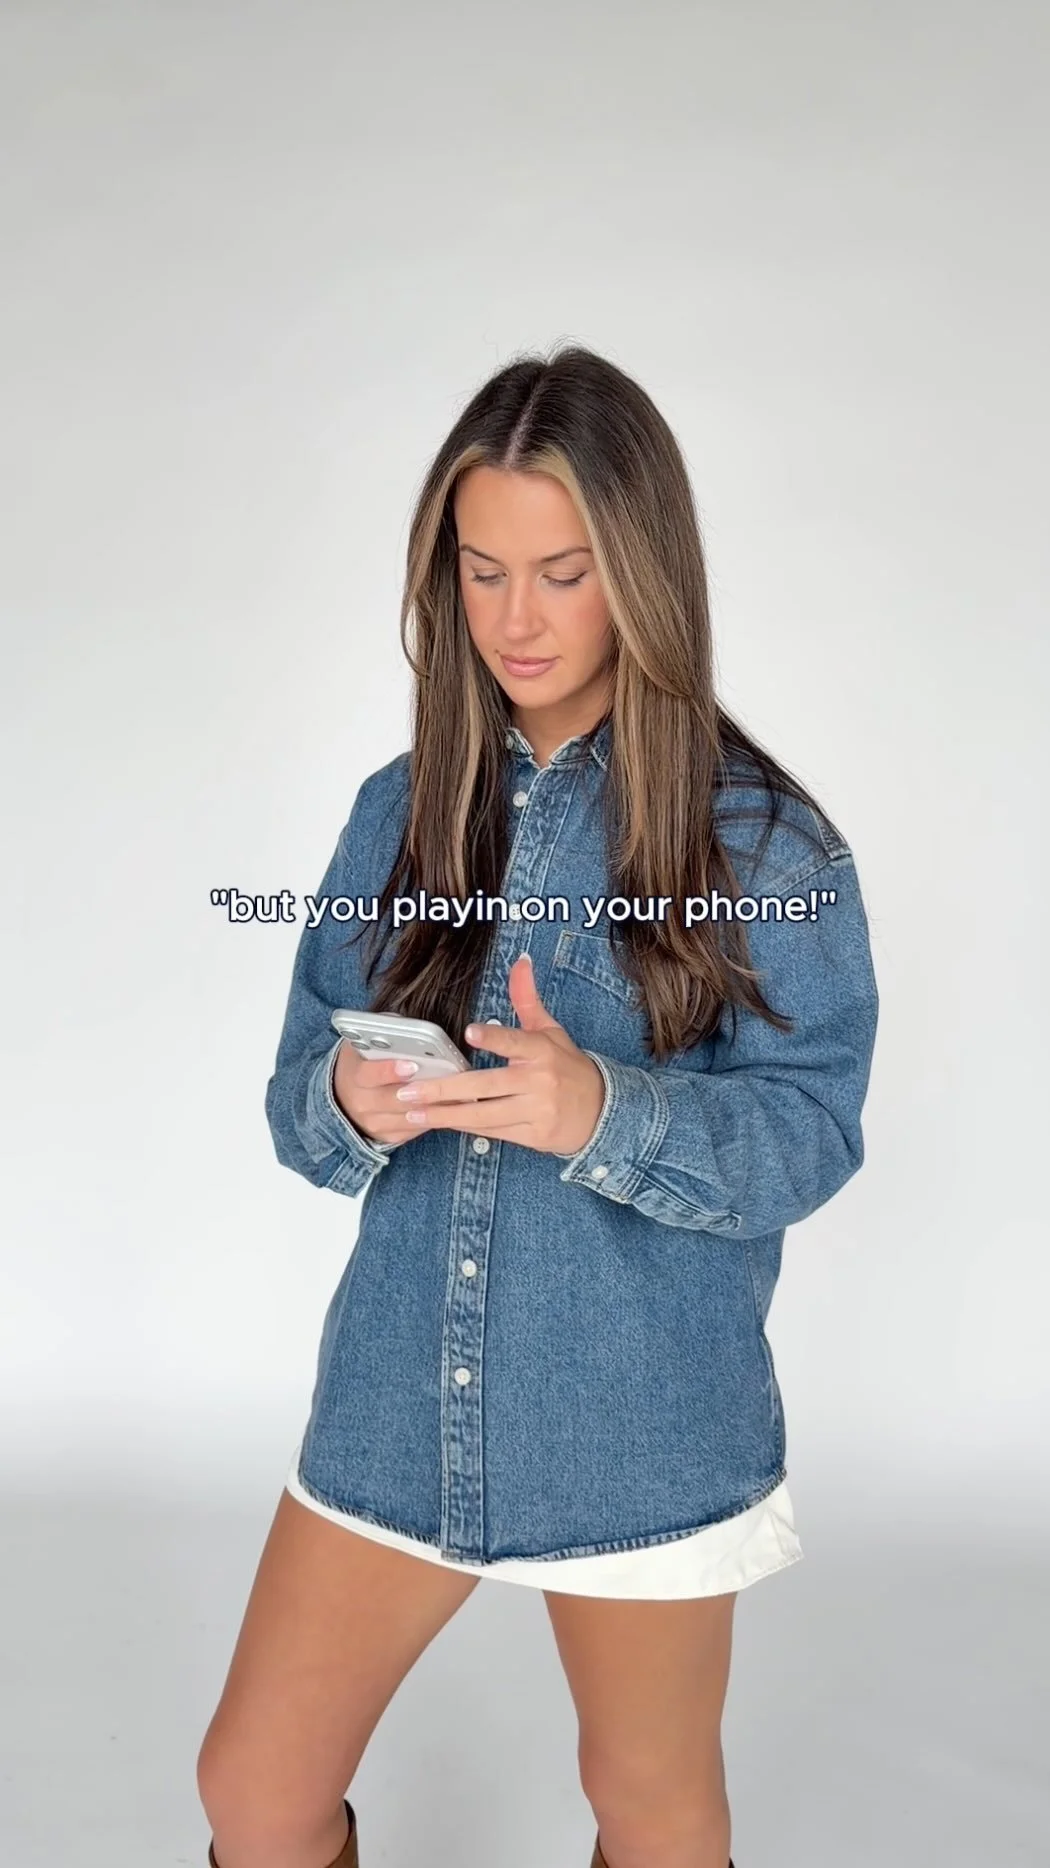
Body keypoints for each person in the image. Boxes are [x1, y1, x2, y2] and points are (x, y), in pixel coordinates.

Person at [196, 344, 879, 1868]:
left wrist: (604, 1114)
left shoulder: (765, 845)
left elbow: (812, 1130)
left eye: (563, 574)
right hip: (397, 1401)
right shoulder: (399, 809)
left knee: (651, 1810)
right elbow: (296, 1107)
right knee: (253, 1791)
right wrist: (350, 1094)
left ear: (640, 572)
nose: (516, 619)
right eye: (482, 569)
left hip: (640, 1417)